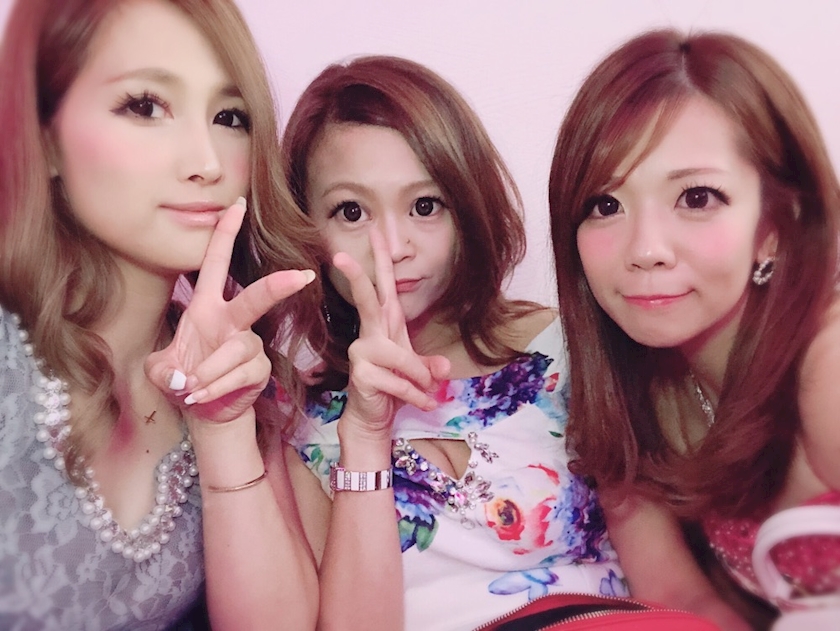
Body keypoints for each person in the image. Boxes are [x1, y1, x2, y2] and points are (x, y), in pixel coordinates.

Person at [0, 0, 321, 629]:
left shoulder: (241, 378)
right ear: (46, 138)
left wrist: (224, 431)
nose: (207, 162)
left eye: (230, 117)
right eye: (145, 106)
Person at [281, 55, 627, 631]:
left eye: (424, 206)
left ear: (467, 209)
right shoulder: (298, 428)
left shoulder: (570, 349)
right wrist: (364, 437)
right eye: (352, 211)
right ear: (304, 228)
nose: (394, 246)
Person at [548, 29, 840, 629]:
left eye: (697, 197)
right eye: (605, 205)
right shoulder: (626, 393)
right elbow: (683, 601)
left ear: (775, 227)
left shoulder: (827, 362)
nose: (645, 249)